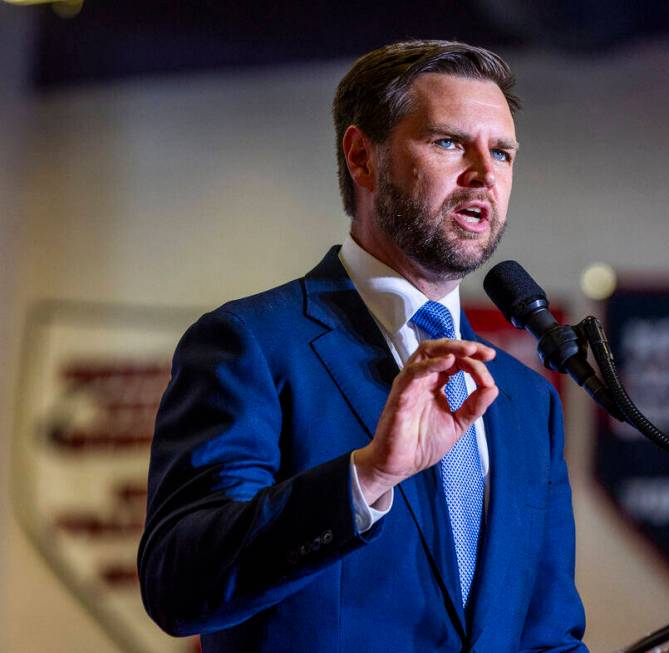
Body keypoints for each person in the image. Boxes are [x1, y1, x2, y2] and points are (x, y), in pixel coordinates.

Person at [138, 40, 588, 652]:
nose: (485, 173)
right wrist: (367, 478)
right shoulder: (253, 346)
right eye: (449, 142)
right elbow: (179, 585)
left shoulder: (527, 401)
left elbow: (548, 636)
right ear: (362, 158)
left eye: (502, 151)